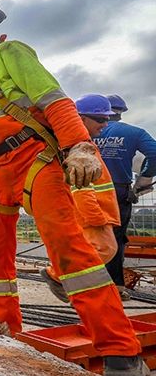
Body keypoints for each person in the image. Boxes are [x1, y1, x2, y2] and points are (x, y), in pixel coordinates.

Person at [0, 0, 146, 376]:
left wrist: (79, 145)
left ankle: (121, 352)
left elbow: (53, 99)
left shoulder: (10, 54)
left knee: (69, 250)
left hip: (35, 159)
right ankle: (7, 333)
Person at [41, 94, 121, 300]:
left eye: (107, 119)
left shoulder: (83, 146)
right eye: (100, 119)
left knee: (94, 250)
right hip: (94, 214)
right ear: (81, 119)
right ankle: (58, 276)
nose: (105, 124)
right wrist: (96, 217)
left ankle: (69, 281)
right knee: (105, 249)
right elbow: (81, 187)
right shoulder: (79, 149)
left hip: (97, 212)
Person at [93, 94, 156, 298]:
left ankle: (81, 286)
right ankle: (115, 287)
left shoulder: (86, 130)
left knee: (86, 237)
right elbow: (154, 154)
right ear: (121, 113)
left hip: (86, 191)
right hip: (119, 193)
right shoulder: (134, 132)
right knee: (116, 239)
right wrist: (144, 179)